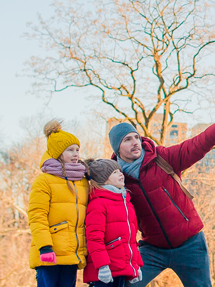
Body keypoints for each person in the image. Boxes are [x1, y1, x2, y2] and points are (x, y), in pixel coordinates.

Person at [108, 103, 215, 287]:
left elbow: (196, 145)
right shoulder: (116, 178)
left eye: (136, 137)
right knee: (124, 285)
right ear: (117, 149)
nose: (135, 142)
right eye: (127, 139)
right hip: (152, 250)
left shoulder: (161, 158)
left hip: (190, 245)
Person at [28, 120, 89, 287]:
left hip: (72, 254)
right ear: (58, 153)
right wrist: (45, 246)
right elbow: (36, 216)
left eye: (77, 150)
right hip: (50, 253)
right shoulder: (44, 181)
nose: (76, 154)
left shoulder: (83, 181)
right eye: (70, 150)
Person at [83, 159, 144, 287]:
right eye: (115, 172)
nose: (121, 174)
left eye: (120, 171)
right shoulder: (98, 203)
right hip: (105, 272)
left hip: (121, 268)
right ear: (104, 180)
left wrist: (135, 265)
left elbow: (131, 240)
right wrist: (102, 266)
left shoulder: (126, 203)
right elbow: (94, 238)